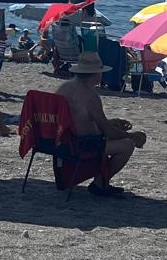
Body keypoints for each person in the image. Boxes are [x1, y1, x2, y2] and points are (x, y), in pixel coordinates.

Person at [56, 51, 147, 196]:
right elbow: (107, 132)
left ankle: (100, 181)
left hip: (64, 140)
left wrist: (114, 122)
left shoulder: (64, 88)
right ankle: (100, 183)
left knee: (117, 130)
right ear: (96, 74)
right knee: (127, 145)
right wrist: (133, 136)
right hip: (82, 144)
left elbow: (78, 119)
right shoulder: (90, 95)